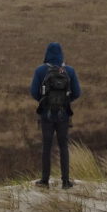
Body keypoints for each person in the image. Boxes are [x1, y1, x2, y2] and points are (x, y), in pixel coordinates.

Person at [29, 42, 81, 189]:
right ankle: (65, 181)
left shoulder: (40, 71)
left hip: (46, 115)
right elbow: (77, 93)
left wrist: (44, 102)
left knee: (47, 147)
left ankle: (45, 181)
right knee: (63, 146)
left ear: (47, 54)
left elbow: (33, 92)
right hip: (64, 115)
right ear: (61, 54)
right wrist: (65, 102)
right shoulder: (69, 71)